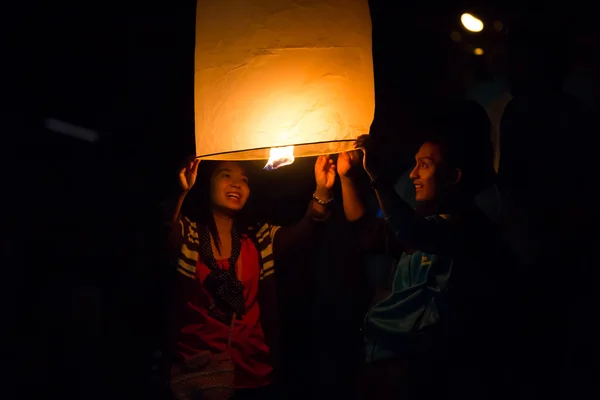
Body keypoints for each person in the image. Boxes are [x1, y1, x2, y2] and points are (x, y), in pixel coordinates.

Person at [338, 131, 503, 400]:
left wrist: (376, 177)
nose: (413, 174)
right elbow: (365, 229)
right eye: (415, 164)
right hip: (380, 354)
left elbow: (411, 231)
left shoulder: (466, 229)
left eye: (424, 165)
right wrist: (346, 177)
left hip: (414, 366)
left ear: (453, 176)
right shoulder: (420, 225)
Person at [163, 156, 336, 399]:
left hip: (253, 376)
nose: (236, 184)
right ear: (206, 185)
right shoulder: (189, 234)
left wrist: (323, 188)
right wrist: (180, 193)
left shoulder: (258, 238)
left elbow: (306, 233)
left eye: (243, 180)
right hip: (198, 375)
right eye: (226, 176)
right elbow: (163, 230)